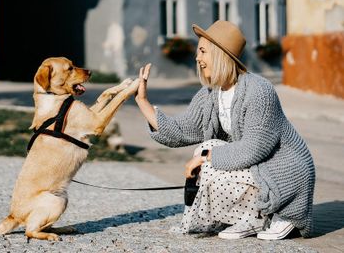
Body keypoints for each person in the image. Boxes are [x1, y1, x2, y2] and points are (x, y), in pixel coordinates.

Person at [134, 20, 315, 240]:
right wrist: (143, 101)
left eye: (202, 51)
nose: (197, 58)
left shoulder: (259, 91)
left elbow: (254, 149)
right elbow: (181, 130)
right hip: (258, 169)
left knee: (207, 156)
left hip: (284, 173)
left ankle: (274, 214)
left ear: (220, 54)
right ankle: (250, 217)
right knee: (207, 148)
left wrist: (204, 159)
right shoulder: (211, 94)